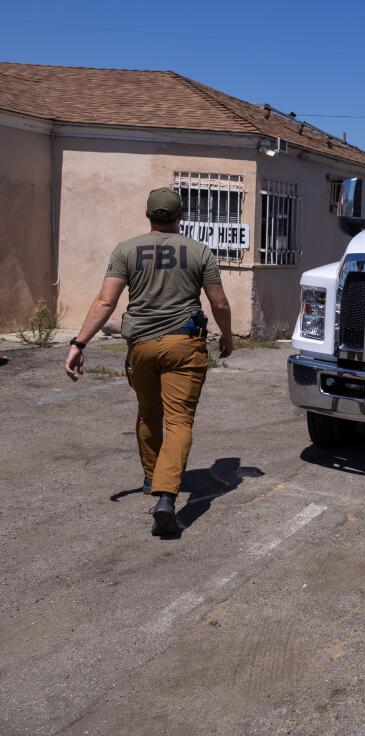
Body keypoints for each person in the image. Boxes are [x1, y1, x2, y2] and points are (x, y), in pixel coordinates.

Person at [64, 188, 233, 535]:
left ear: (147, 215)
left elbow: (105, 302)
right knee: (180, 421)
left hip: (140, 347)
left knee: (148, 412)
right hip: (184, 346)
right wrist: (228, 337)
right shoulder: (200, 252)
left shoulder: (126, 250)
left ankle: (150, 476)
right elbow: (219, 304)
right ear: (180, 216)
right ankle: (166, 494)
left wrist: (79, 342)